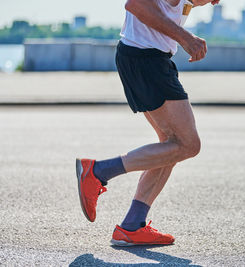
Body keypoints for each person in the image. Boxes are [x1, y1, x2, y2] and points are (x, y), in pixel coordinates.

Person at [75, 0, 220, 246]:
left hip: (147, 59)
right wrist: (186, 38)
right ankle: (97, 172)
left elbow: (173, 5)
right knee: (187, 144)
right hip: (146, 60)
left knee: (170, 146)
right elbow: (137, 5)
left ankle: (132, 224)